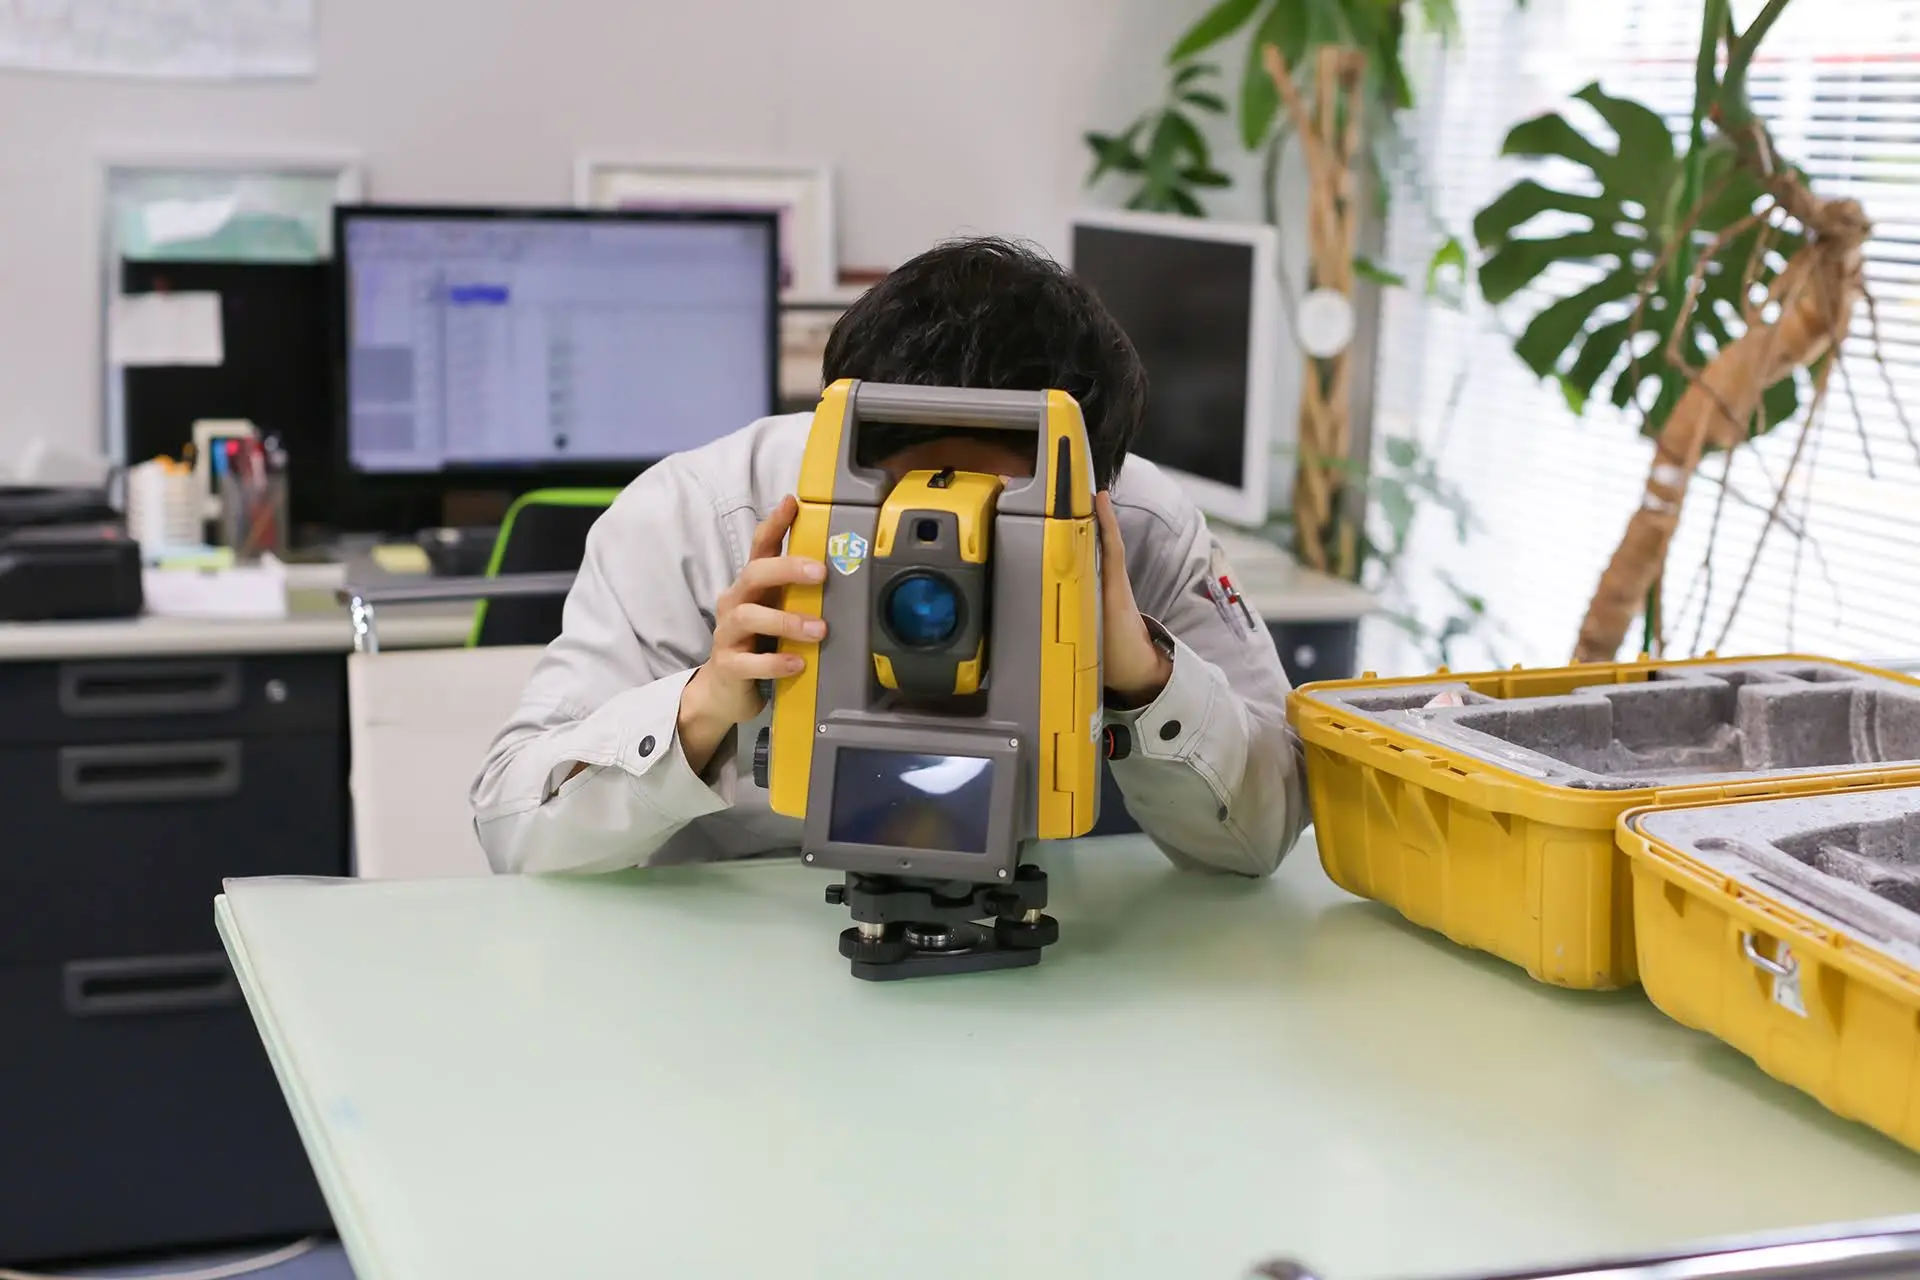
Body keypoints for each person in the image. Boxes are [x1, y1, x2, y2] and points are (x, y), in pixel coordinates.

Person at [470, 236, 1310, 878]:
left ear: (1093, 483)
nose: (946, 555)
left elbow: (1264, 834)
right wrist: (704, 706)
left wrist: (1148, 678)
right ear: (844, 438)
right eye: (908, 505)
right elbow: (516, 831)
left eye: (1002, 517)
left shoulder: (1136, 527)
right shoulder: (697, 516)